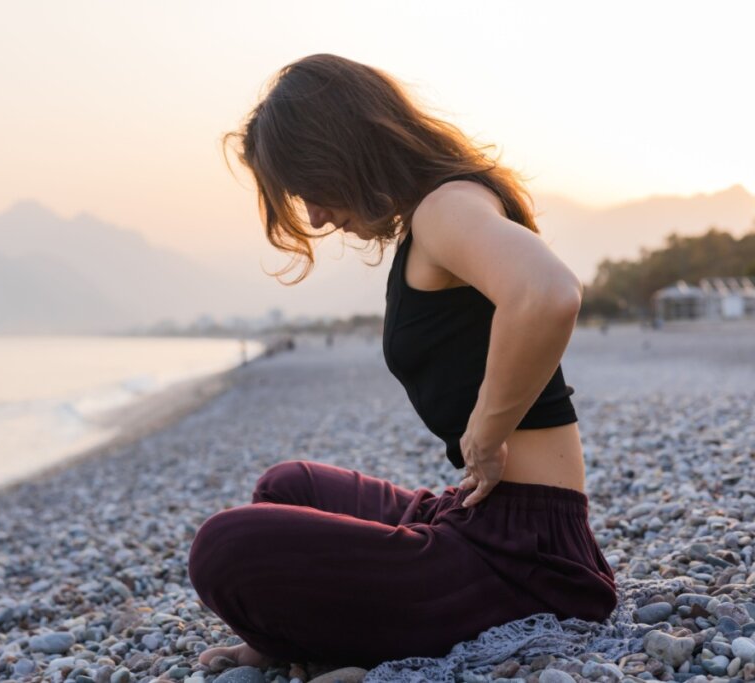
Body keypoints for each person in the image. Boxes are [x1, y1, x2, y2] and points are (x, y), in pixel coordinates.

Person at [187, 54, 616, 670]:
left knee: (223, 547)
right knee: (287, 487)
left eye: (309, 189)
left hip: (529, 558)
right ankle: (290, 642)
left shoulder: (446, 210)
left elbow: (548, 294)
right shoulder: (435, 216)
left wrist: (488, 433)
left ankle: (302, 639)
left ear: (340, 154)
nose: (314, 217)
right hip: (482, 520)